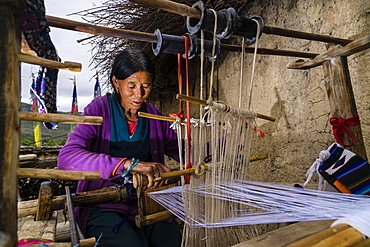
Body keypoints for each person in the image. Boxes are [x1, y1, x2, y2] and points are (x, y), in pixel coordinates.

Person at [57, 49, 182, 247]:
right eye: (131, 86)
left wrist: (229, 139)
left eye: (145, 87)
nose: (139, 94)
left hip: (147, 202)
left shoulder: (155, 117)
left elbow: (184, 151)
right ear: (116, 82)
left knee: (171, 241)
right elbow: (67, 158)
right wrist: (128, 164)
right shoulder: (99, 110)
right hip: (104, 204)